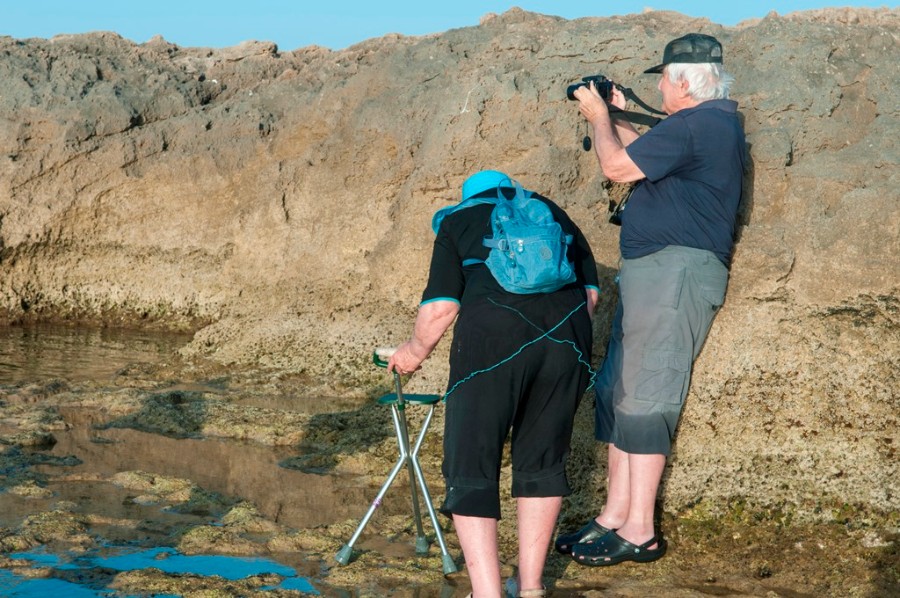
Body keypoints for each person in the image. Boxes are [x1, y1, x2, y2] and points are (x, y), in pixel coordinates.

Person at [554, 33, 746, 567]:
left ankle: (640, 530)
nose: (657, 86)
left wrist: (595, 115)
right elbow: (641, 154)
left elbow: (617, 168)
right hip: (654, 273)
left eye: (660, 77)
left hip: (676, 273)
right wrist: (616, 116)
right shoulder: (700, 128)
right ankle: (613, 516)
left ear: (683, 82)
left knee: (647, 393)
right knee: (620, 390)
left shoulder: (702, 124)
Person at [388, 170, 599, 598]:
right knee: (542, 459)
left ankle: (487, 593)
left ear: (466, 198)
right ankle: (531, 586)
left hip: (491, 344)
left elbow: (441, 307)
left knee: (472, 461)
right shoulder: (554, 213)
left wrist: (410, 354)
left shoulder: (457, 220)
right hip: (567, 340)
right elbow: (591, 297)